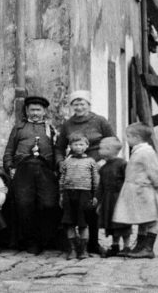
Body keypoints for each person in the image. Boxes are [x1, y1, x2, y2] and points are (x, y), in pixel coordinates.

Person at [56, 90, 115, 254]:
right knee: (74, 208)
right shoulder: (68, 124)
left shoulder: (100, 121)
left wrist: (104, 160)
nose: (79, 107)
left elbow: (112, 141)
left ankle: (94, 244)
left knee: (93, 207)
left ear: (89, 105)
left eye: (82, 103)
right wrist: (60, 162)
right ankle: (74, 245)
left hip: (97, 168)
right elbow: (59, 148)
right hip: (75, 170)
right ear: (71, 106)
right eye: (75, 103)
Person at [3, 95, 60, 254]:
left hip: (45, 170)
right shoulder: (19, 128)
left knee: (48, 204)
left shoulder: (51, 129)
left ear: (44, 111)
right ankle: (30, 241)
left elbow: (57, 150)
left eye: (38, 110)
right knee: (24, 205)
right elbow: (9, 150)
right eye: (32, 109)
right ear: (27, 111)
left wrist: (57, 168)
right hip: (23, 170)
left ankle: (46, 239)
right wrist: (9, 167)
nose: (35, 113)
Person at [112, 122, 158, 259]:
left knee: (149, 220)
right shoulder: (138, 150)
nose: (126, 139)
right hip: (136, 190)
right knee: (142, 219)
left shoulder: (146, 152)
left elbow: (156, 171)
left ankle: (148, 248)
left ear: (136, 137)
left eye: (128, 136)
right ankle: (140, 247)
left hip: (143, 191)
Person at [59, 133, 100, 260]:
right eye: (75, 144)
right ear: (70, 146)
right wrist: (61, 194)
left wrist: (95, 195)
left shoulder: (91, 162)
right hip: (68, 193)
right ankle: (72, 249)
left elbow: (96, 180)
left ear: (87, 146)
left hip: (85, 194)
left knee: (83, 223)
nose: (78, 147)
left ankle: (83, 250)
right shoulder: (67, 161)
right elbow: (62, 178)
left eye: (81, 144)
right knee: (70, 222)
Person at [95, 137, 132, 257]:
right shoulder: (103, 167)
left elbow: (129, 181)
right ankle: (115, 245)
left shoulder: (122, 164)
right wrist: (98, 200)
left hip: (120, 198)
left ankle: (126, 246)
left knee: (123, 223)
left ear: (109, 149)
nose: (99, 150)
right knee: (111, 223)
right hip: (108, 200)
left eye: (101, 148)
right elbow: (101, 185)